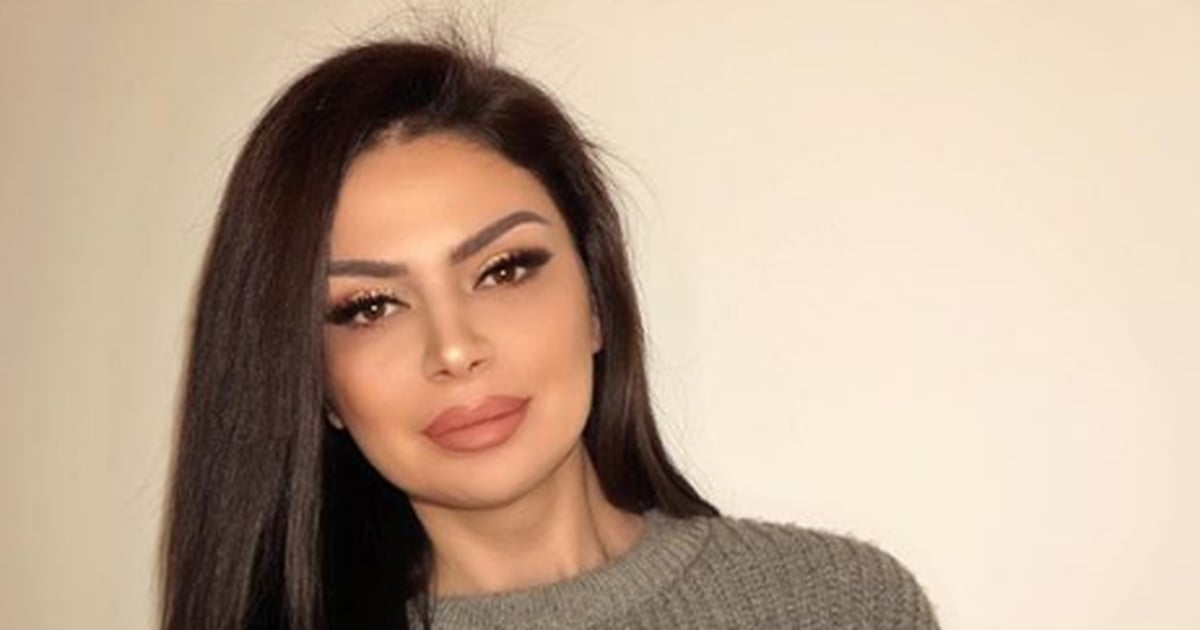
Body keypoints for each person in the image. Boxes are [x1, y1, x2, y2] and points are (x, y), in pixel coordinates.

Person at [160, 33, 939, 630]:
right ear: (316, 382)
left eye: (503, 270)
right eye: (370, 307)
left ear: (596, 298)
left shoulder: (839, 607)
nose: (455, 349)